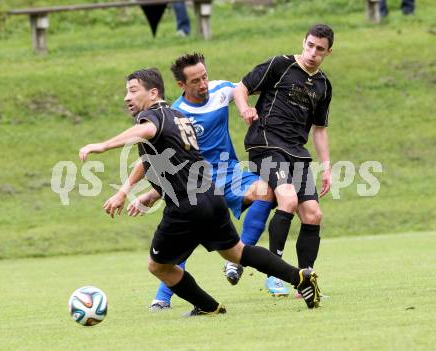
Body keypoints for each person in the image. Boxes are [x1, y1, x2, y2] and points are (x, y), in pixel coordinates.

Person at [78, 68, 322, 316]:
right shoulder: (177, 116)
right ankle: (300, 277)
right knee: (236, 252)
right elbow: (160, 161)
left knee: (158, 265)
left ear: (153, 93)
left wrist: (103, 145)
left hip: (187, 205)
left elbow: (144, 132)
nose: (127, 98)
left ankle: (207, 307)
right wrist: (134, 192)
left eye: (133, 91)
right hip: (210, 197)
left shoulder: (153, 117)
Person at [233, 24, 334, 297]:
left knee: (314, 214)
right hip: (265, 143)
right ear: (304, 42)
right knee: (287, 199)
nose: (313, 52)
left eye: (320, 49)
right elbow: (241, 88)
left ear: (328, 52)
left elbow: (320, 130)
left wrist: (326, 167)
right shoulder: (280, 65)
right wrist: (245, 109)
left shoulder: (323, 85)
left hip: (296, 152)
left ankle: (306, 282)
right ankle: (274, 275)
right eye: (310, 45)